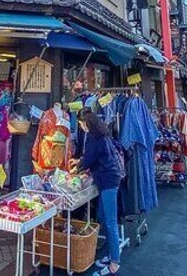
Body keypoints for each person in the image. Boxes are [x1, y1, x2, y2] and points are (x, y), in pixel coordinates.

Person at [71, 109, 123, 276]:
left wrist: (76, 167)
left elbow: (88, 160)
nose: (80, 127)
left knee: (110, 221)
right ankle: (111, 254)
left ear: (87, 123)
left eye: (80, 124)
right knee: (103, 217)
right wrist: (80, 162)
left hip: (107, 180)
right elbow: (93, 157)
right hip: (110, 177)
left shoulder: (93, 137)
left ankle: (115, 263)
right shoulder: (102, 133)